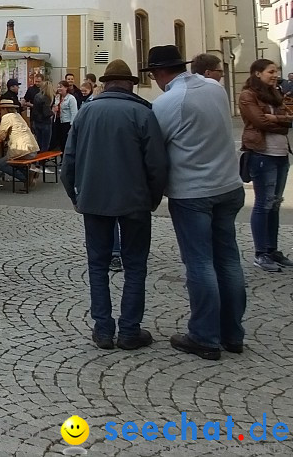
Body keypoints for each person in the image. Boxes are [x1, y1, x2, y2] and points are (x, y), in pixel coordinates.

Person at [147, 46, 248, 359]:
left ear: (158, 74)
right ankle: (232, 333)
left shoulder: (167, 102)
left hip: (193, 191)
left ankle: (204, 336)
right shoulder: (215, 89)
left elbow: (154, 148)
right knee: (228, 259)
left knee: (200, 262)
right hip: (229, 185)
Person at [61, 59, 168, 351]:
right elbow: (157, 165)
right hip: (135, 201)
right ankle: (130, 330)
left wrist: (74, 196)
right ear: (130, 84)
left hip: (94, 200)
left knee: (97, 265)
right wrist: (153, 198)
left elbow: (67, 161)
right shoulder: (143, 113)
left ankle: (104, 329)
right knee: (135, 266)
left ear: (104, 84)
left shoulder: (86, 113)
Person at [237, 57, 293, 274]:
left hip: (280, 154)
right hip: (262, 155)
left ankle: (272, 249)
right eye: (271, 71)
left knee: (275, 203)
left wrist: (277, 119)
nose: (275, 74)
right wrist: (279, 120)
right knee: (263, 204)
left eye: (276, 71)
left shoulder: (276, 94)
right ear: (257, 73)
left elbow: (289, 118)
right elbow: (260, 122)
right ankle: (261, 253)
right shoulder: (247, 95)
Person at [0, 100, 40, 187]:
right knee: (12, 161)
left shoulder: (7, 117)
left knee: (0, 164)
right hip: (33, 149)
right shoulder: (18, 116)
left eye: (0, 110)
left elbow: (0, 135)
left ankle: (26, 178)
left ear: (4, 109)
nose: (0, 112)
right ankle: (30, 171)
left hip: (21, 150)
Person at [51, 80, 78, 150]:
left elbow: (74, 112)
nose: (59, 89)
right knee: (59, 141)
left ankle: (65, 157)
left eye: (61, 87)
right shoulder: (57, 97)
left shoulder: (71, 98)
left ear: (66, 88)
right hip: (58, 120)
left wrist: (72, 125)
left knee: (65, 140)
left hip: (67, 122)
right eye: (58, 87)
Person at [29, 79, 55, 152]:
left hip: (37, 122)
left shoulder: (37, 96)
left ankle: (38, 160)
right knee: (45, 145)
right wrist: (53, 111)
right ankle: (42, 162)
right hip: (45, 123)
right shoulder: (47, 98)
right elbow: (46, 113)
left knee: (39, 143)